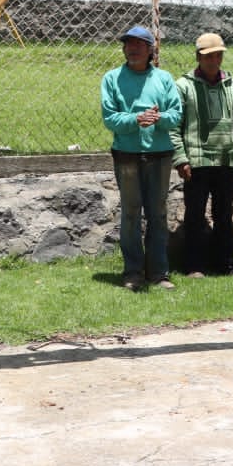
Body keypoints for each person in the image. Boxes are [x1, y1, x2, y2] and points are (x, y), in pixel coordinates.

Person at [100, 24, 182, 291]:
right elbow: (110, 118)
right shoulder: (112, 79)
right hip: (127, 155)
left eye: (138, 44)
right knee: (131, 214)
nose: (132, 49)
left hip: (159, 155)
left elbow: (176, 115)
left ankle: (159, 273)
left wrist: (158, 118)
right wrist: (136, 119)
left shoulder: (164, 79)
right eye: (128, 44)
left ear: (150, 50)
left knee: (158, 214)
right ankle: (133, 272)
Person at [171, 32, 233, 277]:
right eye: (209, 56)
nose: (214, 61)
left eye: (218, 56)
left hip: (226, 161)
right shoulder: (183, 86)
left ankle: (224, 263)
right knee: (194, 214)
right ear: (198, 57)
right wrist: (181, 159)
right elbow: (174, 127)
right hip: (196, 162)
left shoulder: (232, 86)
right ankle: (194, 265)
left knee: (223, 214)